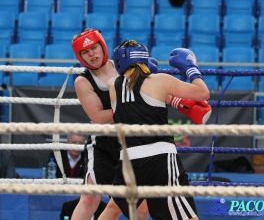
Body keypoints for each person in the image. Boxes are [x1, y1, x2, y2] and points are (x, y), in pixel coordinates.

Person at [70, 29, 211, 220]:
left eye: (94, 48)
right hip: (105, 144)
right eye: (85, 52)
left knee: (133, 208)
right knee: (90, 197)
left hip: (129, 146)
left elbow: (150, 95)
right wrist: (136, 105)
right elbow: (99, 117)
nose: (92, 54)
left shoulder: (118, 76)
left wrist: (173, 101)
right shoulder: (84, 81)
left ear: (103, 47)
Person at [107, 40, 209, 219]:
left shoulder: (112, 84)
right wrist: (191, 68)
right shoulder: (160, 80)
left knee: (115, 209)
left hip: (128, 162)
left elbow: (138, 100)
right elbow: (203, 93)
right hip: (161, 159)